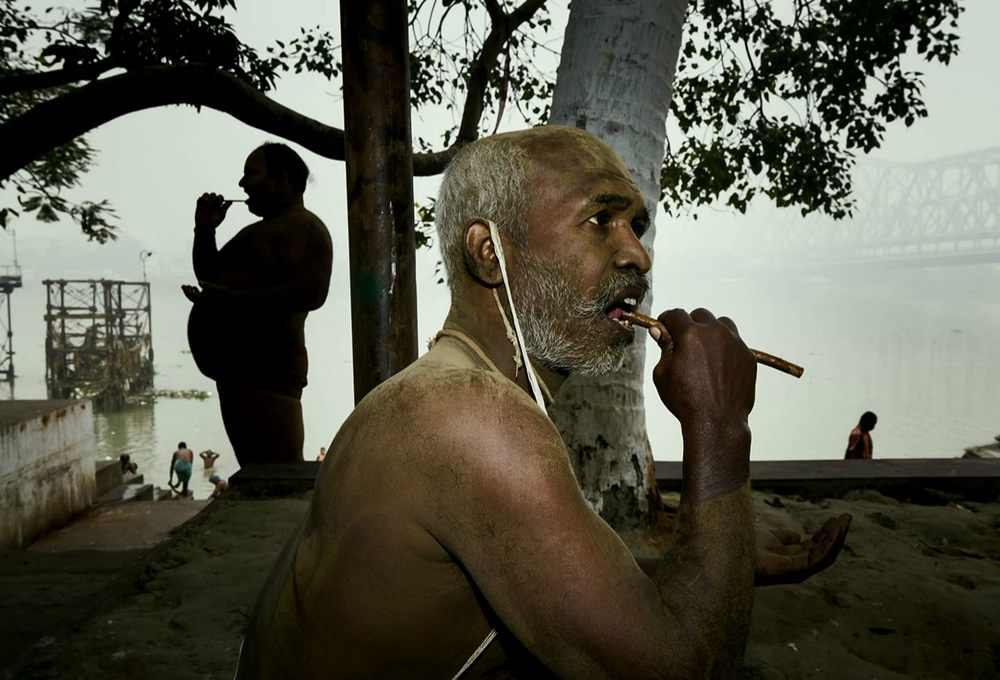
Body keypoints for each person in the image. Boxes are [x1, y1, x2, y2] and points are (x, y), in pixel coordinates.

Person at [235, 127, 850, 679]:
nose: (638, 253)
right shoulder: (471, 416)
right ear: (488, 252)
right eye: (600, 220)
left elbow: (524, 572)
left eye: (636, 224)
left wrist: (714, 562)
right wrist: (720, 424)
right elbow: (686, 669)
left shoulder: (439, 388)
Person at [182, 142, 333, 467]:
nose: (242, 184)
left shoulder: (305, 228)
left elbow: (311, 293)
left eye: (251, 174)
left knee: (276, 475)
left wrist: (233, 299)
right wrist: (205, 230)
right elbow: (211, 275)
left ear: (280, 179)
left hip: (270, 375)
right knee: (257, 471)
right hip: (244, 375)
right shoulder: (261, 230)